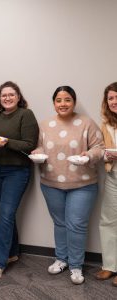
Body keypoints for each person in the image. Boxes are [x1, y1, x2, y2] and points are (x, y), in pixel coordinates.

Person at [32, 86, 104, 285]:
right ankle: (61, 259)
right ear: (54, 103)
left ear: (74, 101)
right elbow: (39, 145)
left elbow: (100, 147)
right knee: (60, 223)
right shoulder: (45, 124)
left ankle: (76, 266)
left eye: (67, 100)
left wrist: (89, 155)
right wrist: (37, 153)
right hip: (51, 182)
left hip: (83, 184)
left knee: (76, 225)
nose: (62, 104)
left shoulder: (86, 123)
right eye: (58, 100)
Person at [0, 81, 39, 280]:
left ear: (18, 97)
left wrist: (5, 141)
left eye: (11, 94)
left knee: (5, 215)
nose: (7, 98)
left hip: (17, 171)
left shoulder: (26, 115)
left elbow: (29, 145)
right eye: (4, 95)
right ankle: (12, 253)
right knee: (7, 214)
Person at [95, 82, 117, 287]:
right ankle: (110, 265)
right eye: (110, 98)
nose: (114, 101)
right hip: (113, 174)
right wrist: (104, 154)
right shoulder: (106, 124)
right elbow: (103, 148)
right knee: (108, 220)